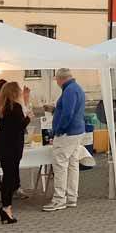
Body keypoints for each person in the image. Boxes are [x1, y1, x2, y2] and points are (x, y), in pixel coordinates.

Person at [43, 68, 86, 212]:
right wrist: (55, 110)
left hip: (67, 133)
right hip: (77, 131)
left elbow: (68, 113)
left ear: (61, 79)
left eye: (56, 80)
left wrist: (59, 130)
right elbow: (68, 110)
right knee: (73, 164)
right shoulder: (77, 88)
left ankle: (59, 199)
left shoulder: (68, 91)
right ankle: (72, 196)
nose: (56, 82)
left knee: (60, 165)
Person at [0, 81, 29, 224]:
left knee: (8, 177)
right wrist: (29, 118)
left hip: (4, 146)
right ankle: (6, 208)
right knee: (9, 179)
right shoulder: (15, 107)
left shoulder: (2, 107)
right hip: (12, 147)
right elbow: (19, 126)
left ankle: (6, 208)